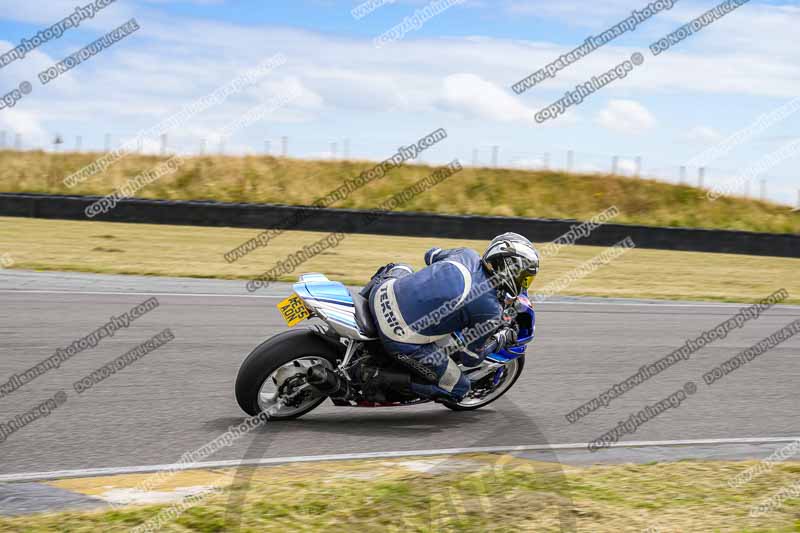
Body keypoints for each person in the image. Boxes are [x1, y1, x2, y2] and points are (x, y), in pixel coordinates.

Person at [358, 232, 540, 402]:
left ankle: (358, 302)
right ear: (509, 268)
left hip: (380, 293)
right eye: (524, 278)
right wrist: (501, 338)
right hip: (396, 335)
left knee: (400, 267)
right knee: (458, 389)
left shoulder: (467, 254)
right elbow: (471, 357)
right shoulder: (490, 310)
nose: (525, 284)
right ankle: (377, 378)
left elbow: (430, 255)